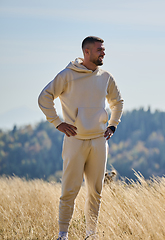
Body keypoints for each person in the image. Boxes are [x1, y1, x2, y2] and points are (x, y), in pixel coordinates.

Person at [38, 36, 124, 240]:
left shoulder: (106, 77)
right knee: (69, 189)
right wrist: (57, 122)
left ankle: (91, 235)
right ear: (87, 52)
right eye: (99, 50)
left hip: (98, 141)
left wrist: (113, 125)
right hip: (74, 140)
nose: (103, 53)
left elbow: (117, 102)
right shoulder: (67, 75)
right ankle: (62, 235)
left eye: (103, 50)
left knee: (96, 192)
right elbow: (44, 97)